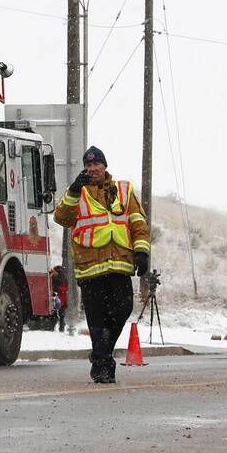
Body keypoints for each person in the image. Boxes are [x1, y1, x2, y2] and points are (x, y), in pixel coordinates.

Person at [53, 146, 150, 383]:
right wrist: (74, 191)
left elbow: (138, 222)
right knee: (96, 319)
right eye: (88, 165)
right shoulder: (77, 192)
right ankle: (103, 367)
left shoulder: (124, 190)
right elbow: (62, 218)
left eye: (96, 165)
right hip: (90, 267)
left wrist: (142, 252)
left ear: (104, 166)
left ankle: (100, 351)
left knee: (122, 309)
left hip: (120, 264)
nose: (92, 169)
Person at [49, 265, 68, 332]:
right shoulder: (56, 277)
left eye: (55, 271)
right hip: (58, 299)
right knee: (57, 314)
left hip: (60, 299)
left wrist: (59, 289)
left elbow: (65, 289)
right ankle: (55, 327)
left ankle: (59, 328)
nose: (54, 273)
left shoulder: (62, 279)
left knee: (59, 315)